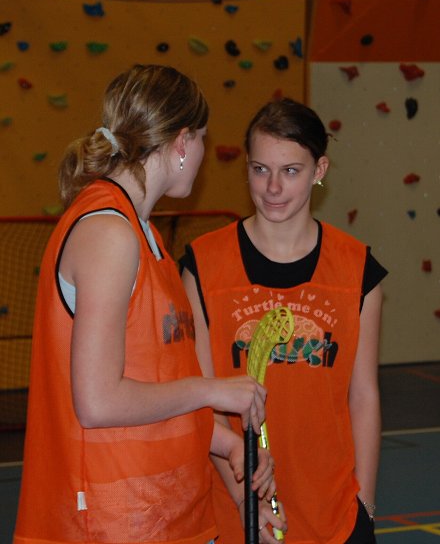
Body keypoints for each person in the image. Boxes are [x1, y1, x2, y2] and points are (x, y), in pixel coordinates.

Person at [13, 64, 278, 544]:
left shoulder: (144, 235)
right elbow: (98, 401)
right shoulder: (108, 232)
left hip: (164, 514)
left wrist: (226, 442)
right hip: (111, 521)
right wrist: (211, 390)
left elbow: (153, 384)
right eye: (202, 139)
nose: (202, 154)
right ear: (182, 142)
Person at [181, 97, 387, 544]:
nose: (273, 187)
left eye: (290, 171)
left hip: (333, 515)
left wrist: (365, 506)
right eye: (260, 169)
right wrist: (244, 500)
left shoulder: (358, 271)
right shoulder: (202, 265)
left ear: (319, 170)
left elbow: (364, 395)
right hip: (234, 513)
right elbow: (201, 403)